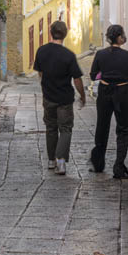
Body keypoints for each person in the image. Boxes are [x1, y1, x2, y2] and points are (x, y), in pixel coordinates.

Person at [33, 19, 85, 175]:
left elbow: (40, 72)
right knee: (66, 129)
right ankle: (61, 162)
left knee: (51, 128)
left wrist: (46, 85)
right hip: (65, 99)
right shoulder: (68, 55)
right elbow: (77, 79)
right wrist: (82, 95)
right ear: (65, 34)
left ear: (51, 33)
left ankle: (51, 160)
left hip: (48, 97)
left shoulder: (41, 51)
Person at [89, 25, 128, 179]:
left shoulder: (100, 54)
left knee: (102, 126)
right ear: (120, 37)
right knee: (123, 129)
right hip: (122, 92)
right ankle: (118, 166)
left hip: (105, 91)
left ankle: (98, 164)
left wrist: (106, 75)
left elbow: (93, 75)